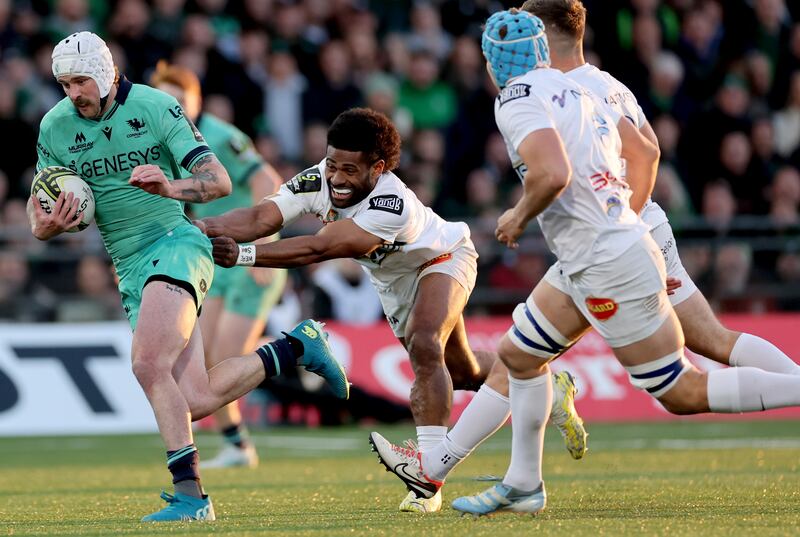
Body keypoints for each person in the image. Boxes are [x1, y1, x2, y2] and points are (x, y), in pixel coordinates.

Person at [387, 8, 800, 517]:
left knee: (679, 389)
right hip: (603, 247)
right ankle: (519, 484)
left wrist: (517, 216)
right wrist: (622, 217)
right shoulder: (587, 87)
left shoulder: (516, 97)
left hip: (605, 257)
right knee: (518, 356)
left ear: (494, 63)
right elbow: (646, 154)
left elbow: (553, 173)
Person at [196, 107, 586, 513]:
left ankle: (429, 479)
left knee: (425, 341)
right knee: (462, 372)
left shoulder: (391, 201)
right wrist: (205, 227)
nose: (336, 178)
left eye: (349, 169)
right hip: (393, 283)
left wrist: (244, 255)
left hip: (442, 258)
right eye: (331, 164)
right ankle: (546, 384)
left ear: (378, 168)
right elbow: (261, 216)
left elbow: (322, 247)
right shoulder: (317, 179)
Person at [27, 32, 348, 522]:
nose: (74, 93)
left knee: (147, 363)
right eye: (65, 84)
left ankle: (192, 496)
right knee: (194, 400)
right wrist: (44, 226)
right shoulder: (55, 126)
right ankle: (295, 347)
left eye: (81, 81)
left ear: (107, 73)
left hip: (177, 242)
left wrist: (169, 183)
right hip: (129, 265)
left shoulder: (158, 108)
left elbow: (218, 181)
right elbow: (41, 202)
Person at [150, 61, 288, 470]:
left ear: (197, 101)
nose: (175, 106)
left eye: (182, 99)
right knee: (204, 367)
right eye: (167, 99)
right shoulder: (165, 139)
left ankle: (296, 350)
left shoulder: (220, 136)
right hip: (215, 260)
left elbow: (267, 180)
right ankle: (237, 445)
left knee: (224, 360)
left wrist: (261, 243)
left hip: (247, 257)